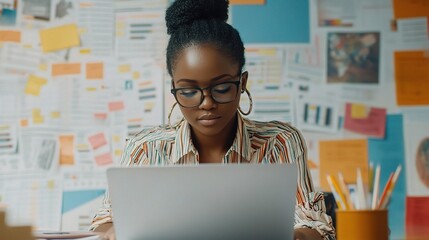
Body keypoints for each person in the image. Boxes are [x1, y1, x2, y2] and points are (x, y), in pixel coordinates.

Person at [90, 0, 336, 239]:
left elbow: (316, 227)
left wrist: (297, 236)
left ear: (242, 83)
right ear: (174, 88)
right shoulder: (144, 148)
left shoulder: (280, 143)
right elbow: (104, 222)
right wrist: (111, 233)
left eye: (221, 88)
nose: (207, 103)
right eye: (188, 91)